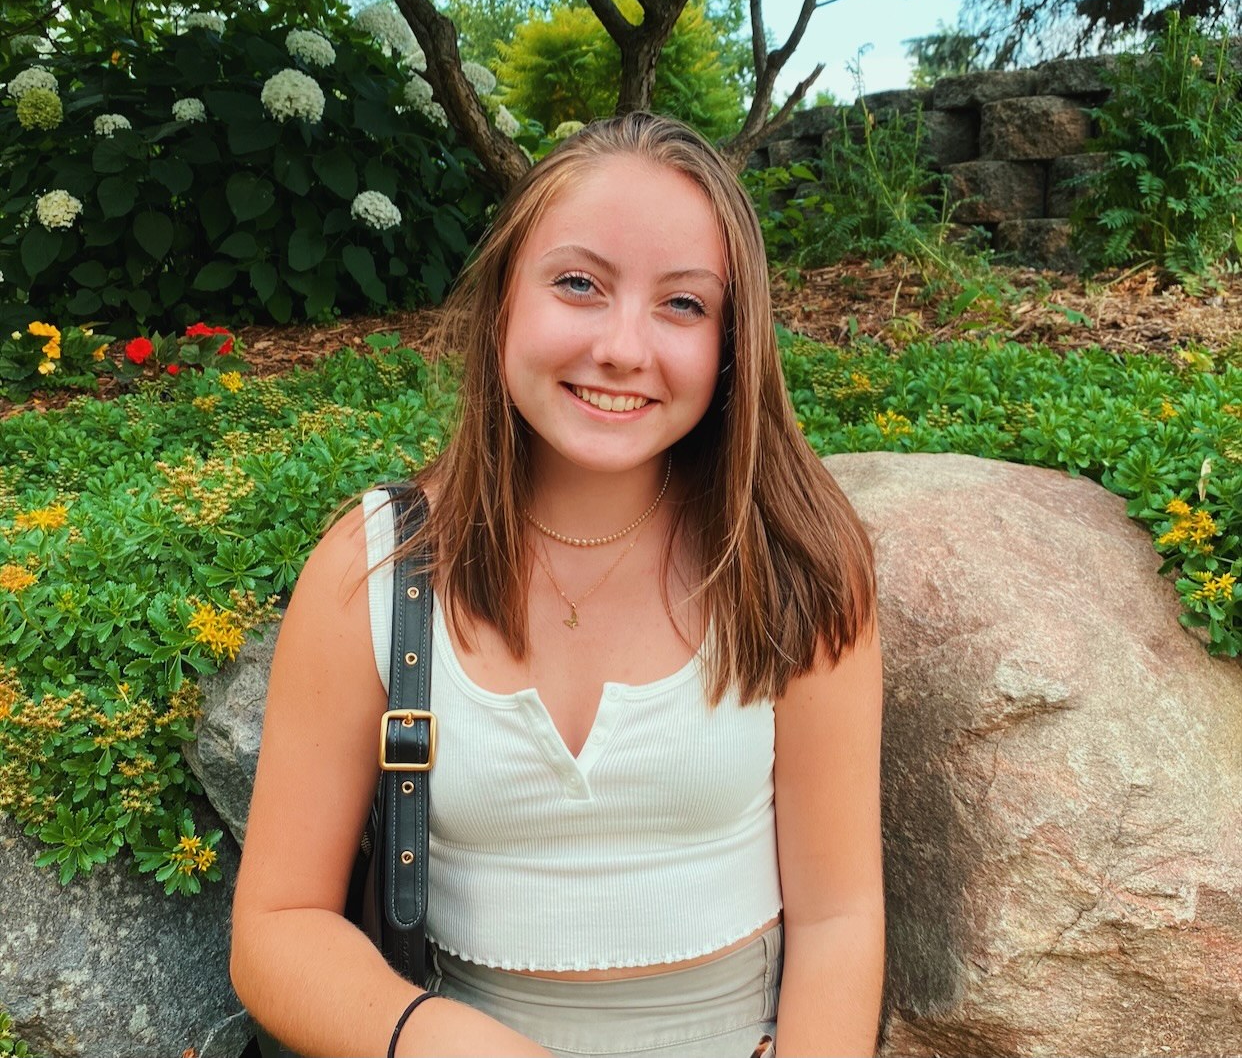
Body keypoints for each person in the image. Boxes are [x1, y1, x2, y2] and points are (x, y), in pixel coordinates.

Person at [230, 112, 884, 1057]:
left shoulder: (793, 559)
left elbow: (839, 917)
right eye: (579, 284)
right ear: (504, 301)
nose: (624, 347)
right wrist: (441, 1041)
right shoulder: (375, 568)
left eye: (684, 304)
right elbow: (278, 924)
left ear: (735, 342)